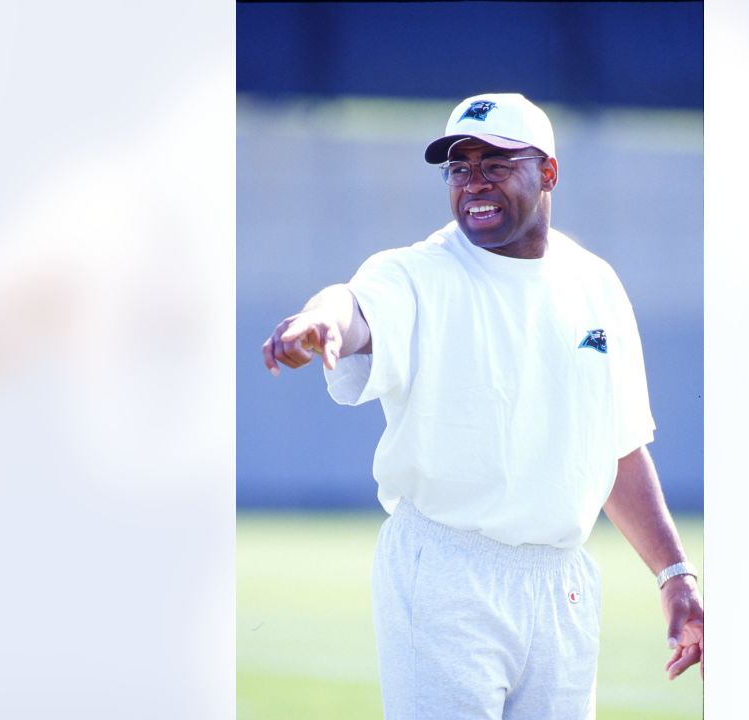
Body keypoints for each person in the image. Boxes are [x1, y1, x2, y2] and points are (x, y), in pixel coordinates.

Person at [261, 92, 703, 719]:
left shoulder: (595, 284)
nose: (474, 184)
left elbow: (618, 444)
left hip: (562, 586)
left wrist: (675, 576)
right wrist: (320, 320)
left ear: (547, 172)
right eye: (459, 168)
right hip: (446, 574)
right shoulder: (415, 273)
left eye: (495, 164)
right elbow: (354, 305)